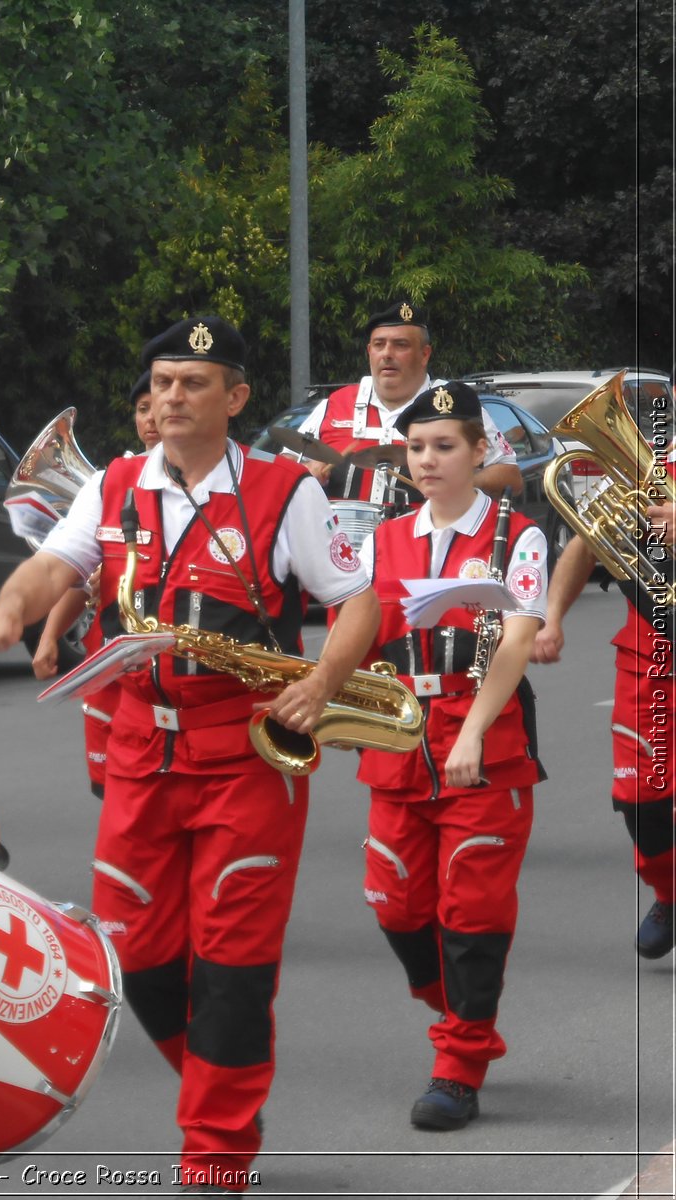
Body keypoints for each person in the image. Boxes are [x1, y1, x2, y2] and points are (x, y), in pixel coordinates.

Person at [0, 316, 378, 1193]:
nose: (171, 398)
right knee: (136, 958)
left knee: (232, 966)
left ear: (234, 398)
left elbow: (359, 602)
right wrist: (11, 603)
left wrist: (320, 686)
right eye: (161, 384)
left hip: (245, 753)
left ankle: (216, 1154)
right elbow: (55, 566)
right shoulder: (116, 482)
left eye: (193, 384)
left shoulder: (283, 492)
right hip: (137, 752)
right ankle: (221, 1087)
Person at [354, 381, 547, 1130]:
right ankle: (462, 1018)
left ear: (477, 452)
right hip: (400, 743)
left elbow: (520, 637)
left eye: (443, 447)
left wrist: (471, 733)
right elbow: (363, 633)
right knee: (398, 905)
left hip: (483, 743)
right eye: (416, 448)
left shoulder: (514, 534)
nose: (427, 460)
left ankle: (458, 1066)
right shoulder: (382, 538)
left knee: (471, 909)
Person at [533, 462, 674, 957]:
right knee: (639, 798)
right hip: (649, 663)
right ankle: (669, 892)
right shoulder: (643, 466)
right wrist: (551, 619)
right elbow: (589, 539)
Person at [32, 369, 160, 799]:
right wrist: (50, 636)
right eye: (142, 410)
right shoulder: (111, 483)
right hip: (107, 661)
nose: (151, 418)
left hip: (164, 665)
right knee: (108, 789)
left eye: (156, 407)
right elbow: (74, 580)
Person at [291, 302, 522, 501]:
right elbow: (287, 459)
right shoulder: (335, 404)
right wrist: (304, 470)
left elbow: (511, 477)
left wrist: (464, 483)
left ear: (425, 355)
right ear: (369, 351)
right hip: (339, 543)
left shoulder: (453, 403)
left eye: (401, 345)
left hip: (428, 543)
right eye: (379, 345)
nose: (387, 354)